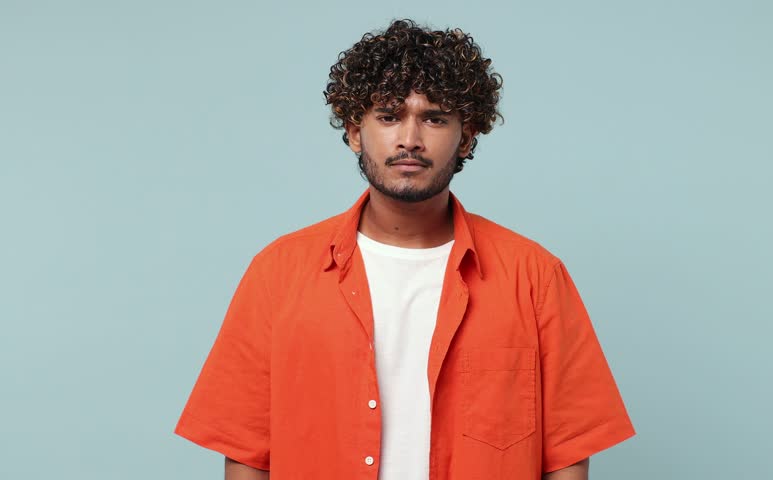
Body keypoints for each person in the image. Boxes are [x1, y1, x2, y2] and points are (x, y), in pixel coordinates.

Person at [174, 18, 635, 480]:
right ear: (356, 131)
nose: (409, 139)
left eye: (434, 118)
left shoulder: (533, 275)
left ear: (467, 136)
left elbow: (569, 453)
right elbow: (246, 451)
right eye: (389, 115)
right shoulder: (279, 272)